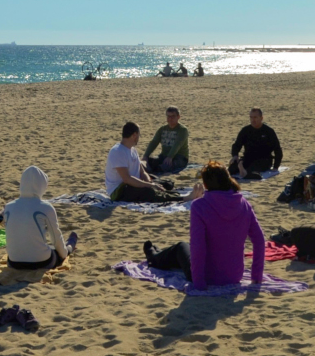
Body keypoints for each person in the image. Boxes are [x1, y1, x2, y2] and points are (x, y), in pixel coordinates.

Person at [178, 161, 267, 289]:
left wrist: (199, 283)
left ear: (206, 184)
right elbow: (259, 240)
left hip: (208, 276)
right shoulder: (244, 204)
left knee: (180, 248)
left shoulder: (199, 206)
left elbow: (198, 247)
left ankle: (152, 254)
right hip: (235, 275)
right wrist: (257, 277)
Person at [107, 122, 199, 203]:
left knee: (166, 184)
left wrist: (150, 182)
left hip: (133, 184)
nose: (139, 137)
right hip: (120, 190)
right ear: (134, 135)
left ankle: (169, 194)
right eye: (139, 135)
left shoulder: (132, 150)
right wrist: (149, 186)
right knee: (149, 192)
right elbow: (127, 179)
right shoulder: (118, 151)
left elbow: (142, 171)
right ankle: (183, 199)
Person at [3, 166, 72, 271]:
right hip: (41, 262)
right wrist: (64, 255)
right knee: (65, 245)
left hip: (13, 262)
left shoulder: (8, 207)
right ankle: (72, 241)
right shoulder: (45, 207)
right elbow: (55, 237)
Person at [229, 108, 283, 179]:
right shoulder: (245, 130)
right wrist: (235, 155)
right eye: (251, 117)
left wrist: (276, 166)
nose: (253, 120)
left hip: (263, 160)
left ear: (261, 118)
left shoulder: (268, 131)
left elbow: (277, 149)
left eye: (255, 117)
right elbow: (236, 145)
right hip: (248, 158)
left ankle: (243, 169)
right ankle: (240, 166)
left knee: (252, 172)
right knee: (231, 170)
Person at [143, 106, 191, 174]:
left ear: (178, 117)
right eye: (168, 116)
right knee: (149, 162)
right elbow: (154, 142)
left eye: (173, 116)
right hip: (164, 156)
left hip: (180, 157)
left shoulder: (183, 130)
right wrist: (146, 156)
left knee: (166, 166)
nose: (170, 119)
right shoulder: (162, 129)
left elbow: (177, 144)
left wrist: (170, 157)